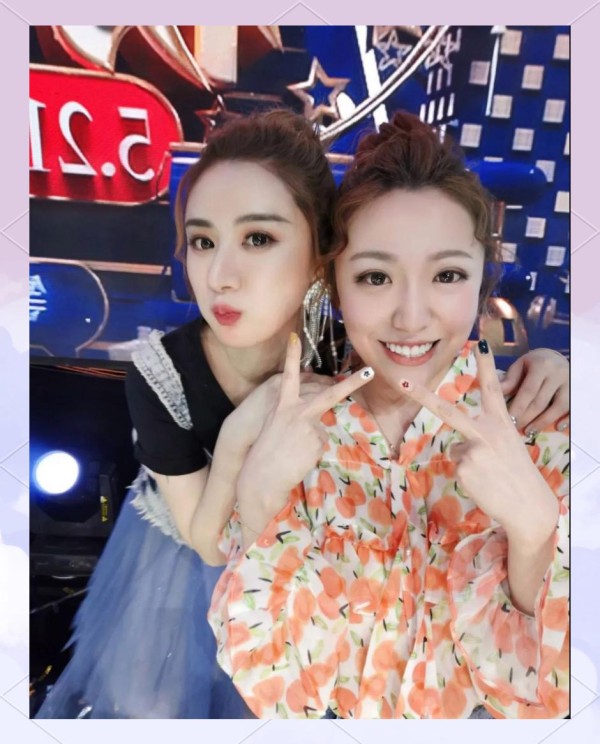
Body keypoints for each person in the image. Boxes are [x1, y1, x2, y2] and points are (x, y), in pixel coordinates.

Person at [36, 110, 568, 719]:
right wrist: (242, 448)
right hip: (190, 553)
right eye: (203, 242)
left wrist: (556, 367)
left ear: (319, 258)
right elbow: (209, 545)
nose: (222, 276)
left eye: (258, 239)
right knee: (153, 699)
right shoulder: (168, 373)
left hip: (286, 585)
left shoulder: (353, 358)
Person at [208, 111, 570, 719]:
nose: (411, 316)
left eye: (447, 275)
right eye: (375, 277)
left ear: (482, 280)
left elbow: (556, 698)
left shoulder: (545, 428)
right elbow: (280, 694)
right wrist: (260, 501)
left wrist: (534, 532)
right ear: (334, 285)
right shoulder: (290, 433)